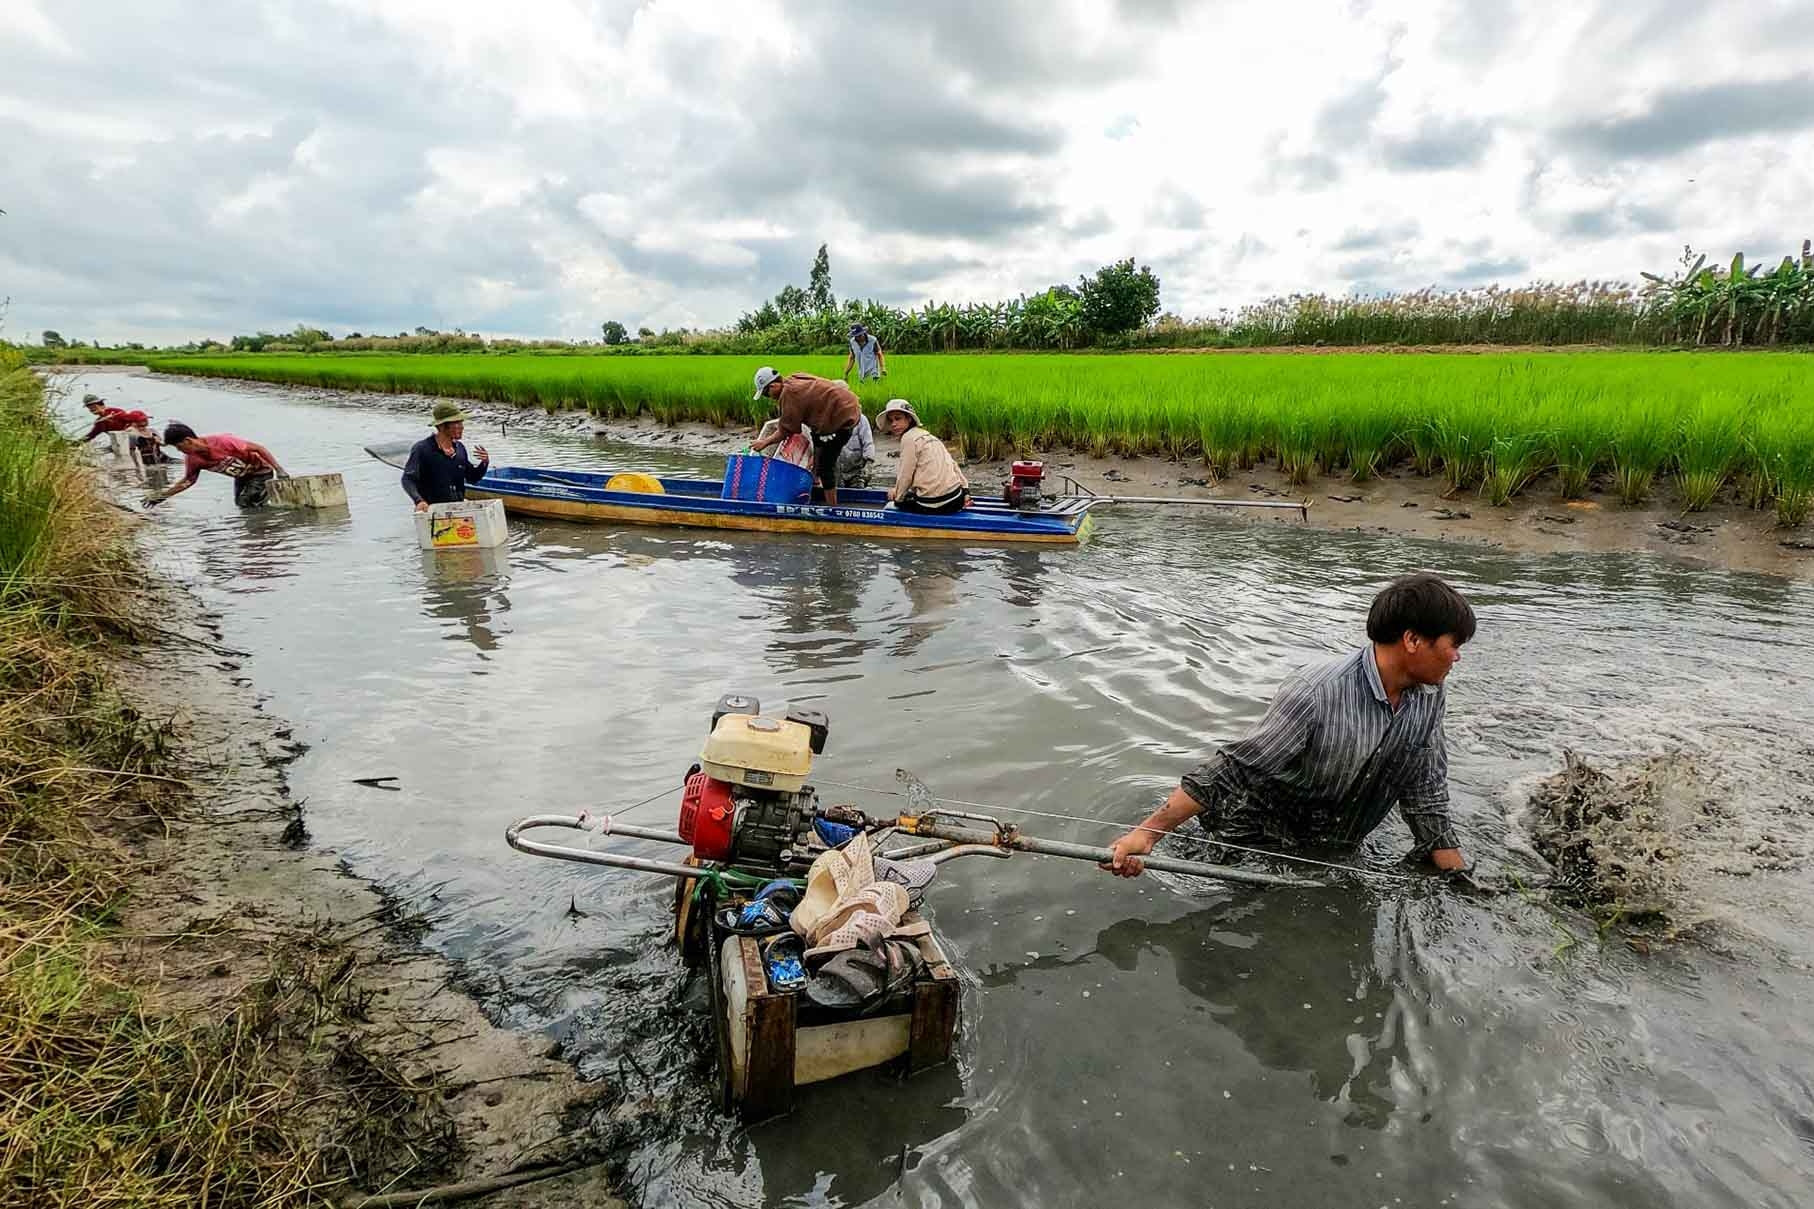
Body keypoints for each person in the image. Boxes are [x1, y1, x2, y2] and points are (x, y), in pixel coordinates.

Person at [1103, 573, 1476, 877]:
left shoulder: (1430, 695)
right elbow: (1234, 769)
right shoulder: (1317, 692)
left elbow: (1426, 791)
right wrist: (1147, 835)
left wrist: (1458, 880)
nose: (1458, 657)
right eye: (1453, 644)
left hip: (1331, 850)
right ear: (1412, 639)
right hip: (1251, 843)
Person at [749, 367, 862, 506]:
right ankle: (814, 478)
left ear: (773, 386)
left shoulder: (788, 395)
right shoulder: (794, 379)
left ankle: (833, 508)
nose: (769, 397)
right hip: (847, 406)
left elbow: (786, 430)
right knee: (817, 439)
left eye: (766, 393)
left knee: (826, 466)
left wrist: (764, 442)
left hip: (843, 417)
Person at [146, 422, 288, 508]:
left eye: (179, 446)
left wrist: (279, 469)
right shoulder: (193, 460)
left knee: (246, 502)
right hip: (241, 477)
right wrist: (162, 496)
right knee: (241, 504)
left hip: (260, 472)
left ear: (188, 441)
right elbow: (188, 481)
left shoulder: (224, 442)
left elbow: (258, 448)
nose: (179, 451)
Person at [876, 399, 968, 514]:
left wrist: (898, 499)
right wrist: (965, 490)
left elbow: (906, 474)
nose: (893, 424)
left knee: (899, 501)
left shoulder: (908, 439)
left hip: (934, 503)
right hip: (956, 498)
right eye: (891, 420)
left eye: (898, 418)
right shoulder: (929, 436)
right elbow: (952, 464)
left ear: (909, 419)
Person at [402, 401, 490, 511]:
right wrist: (419, 501)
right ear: (442, 426)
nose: (461, 427)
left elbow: (472, 478)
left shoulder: (460, 449)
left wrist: (484, 462)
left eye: (461, 423)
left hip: (457, 510)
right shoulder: (422, 449)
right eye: (456, 423)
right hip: (432, 511)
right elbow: (408, 479)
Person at [74, 394, 167, 464]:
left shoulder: (116, 413)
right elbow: (91, 435)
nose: (93, 410)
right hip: (121, 445)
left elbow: (135, 418)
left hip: (137, 443)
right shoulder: (100, 422)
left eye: (94, 407)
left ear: (102, 405)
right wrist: (75, 443)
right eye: (90, 409)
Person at [835, 411, 875, 488]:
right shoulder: (830, 419)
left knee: (858, 492)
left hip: (857, 470)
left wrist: (869, 464)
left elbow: (868, 443)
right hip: (837, 470)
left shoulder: (861, 420)